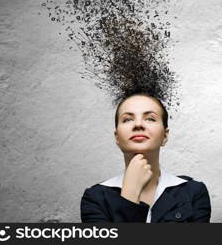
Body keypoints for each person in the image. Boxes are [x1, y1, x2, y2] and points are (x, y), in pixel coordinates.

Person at [80, 92, 211, 222]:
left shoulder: (193, 192)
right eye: (127, 119)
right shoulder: (95, 198)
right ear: (117, 138)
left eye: (150, 118)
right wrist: (130, 194)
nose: (138, 124)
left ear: (164, 136)